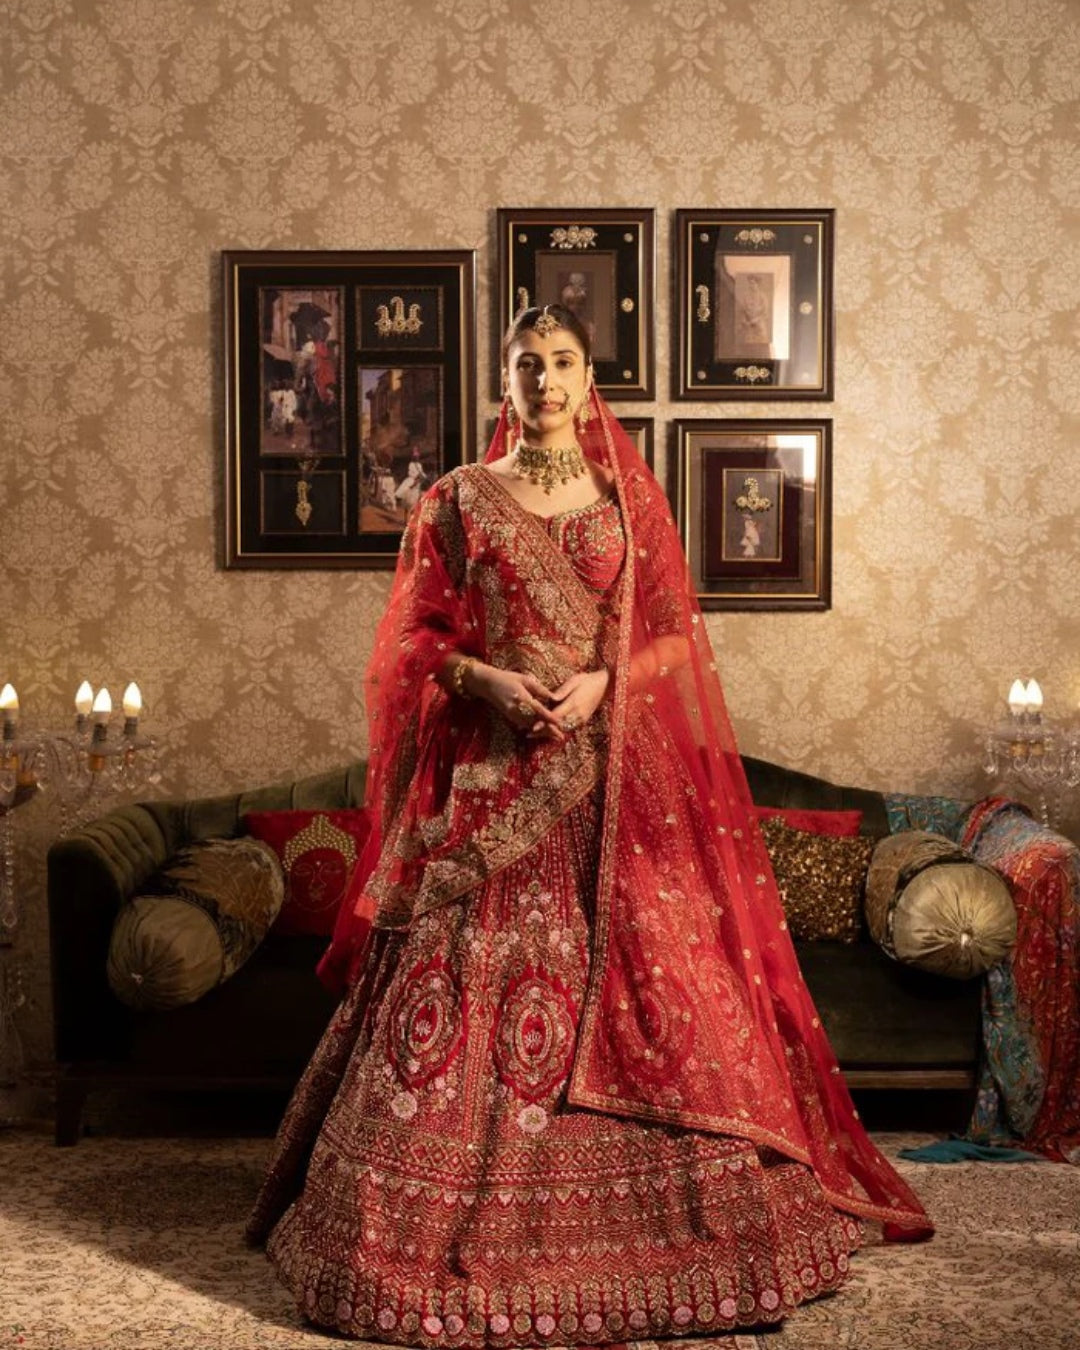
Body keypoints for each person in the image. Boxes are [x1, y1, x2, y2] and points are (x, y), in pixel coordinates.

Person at [247, 303, 932, 1346]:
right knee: (454, 994)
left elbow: (670, 637)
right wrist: (480, 676)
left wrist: (605, 682)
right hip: (490, 785)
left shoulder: (626, 498)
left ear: (586, 376)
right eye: (529, 364)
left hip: (612, 787)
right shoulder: (458, 500)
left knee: (662, 989)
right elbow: (412, 643)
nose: (547, 380)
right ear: (504, 381)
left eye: (564, 362)